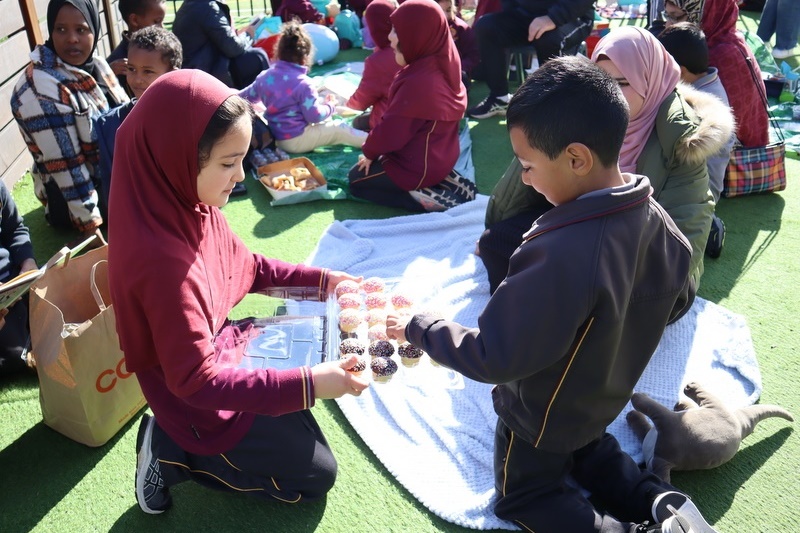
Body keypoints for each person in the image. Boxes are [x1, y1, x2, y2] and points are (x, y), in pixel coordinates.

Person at [386, 56, 718, 533]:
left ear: (576, 158)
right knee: (594, 453)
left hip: (542, 415)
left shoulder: (558, 252)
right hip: (602, 398)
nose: (523, 177)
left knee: (528, 494)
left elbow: (493, 356)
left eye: (526, 165)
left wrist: (423, 327)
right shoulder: (659, 221)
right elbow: (677, 296)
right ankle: (658, 502)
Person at [107, 69, 369, 514]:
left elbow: (249, 267)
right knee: (316, 476)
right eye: (227, 163)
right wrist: (311, 383)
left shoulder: (190, 204)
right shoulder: (161, 261)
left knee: (309, 386)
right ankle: (173, 452)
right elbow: (197, 382)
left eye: (242, 158)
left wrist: (326, 281)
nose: (240, 175)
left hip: (224, 348)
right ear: (176, 158)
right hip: (196, 401)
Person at [479, 26, 732, 294]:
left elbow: (678, 250)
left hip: (639, 259)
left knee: (574, 279)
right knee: (498, 243)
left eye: (622, 83)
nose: (611, 92)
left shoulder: (681, 139)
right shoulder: (591, 110)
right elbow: (535, 178)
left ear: (650, 78)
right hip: (586, 225)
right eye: (603, 80)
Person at [11, 0, 129, 246]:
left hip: (113, 173)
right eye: (61, 29)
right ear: (50, 32)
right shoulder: (40, 89)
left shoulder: (95, 63)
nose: (72, 39)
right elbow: (68, 167)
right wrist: (91, 227)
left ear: (94, 30)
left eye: (82, 29)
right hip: (73, 201)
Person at [348, 0, 474, 212]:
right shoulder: (444, 61)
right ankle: (443, 180)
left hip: (415, 167)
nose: (390, 37)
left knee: (356, 180)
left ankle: (423, 197)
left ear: (417, 34)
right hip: (442, 157)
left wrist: (369, 152)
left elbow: (391, 133)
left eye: (397, 31)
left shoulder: (419, 81)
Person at [659, 22, 736, 258]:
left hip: (701, 193)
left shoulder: (695, 103)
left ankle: (710, 224)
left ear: (679, 72)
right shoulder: (708, 83)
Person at [239, 21, 367, 154]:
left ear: (278, 51)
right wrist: (330, 105)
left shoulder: (265, 77)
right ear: (305, 56)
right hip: (298, 139)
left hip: (276, 137)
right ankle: (372, 142)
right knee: (339, 129)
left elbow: (244, 97)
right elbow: (314, 116)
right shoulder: (303, 83)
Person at [95, 26, 183, 215]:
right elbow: (112, 190)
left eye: (148, 71)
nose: (137, 79)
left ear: (172, 73)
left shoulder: (187, 120)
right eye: (131, 69)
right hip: (136, 221)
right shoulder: (110, 125)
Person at [465, 0, 595, 119]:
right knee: (486, 26)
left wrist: (553, 18)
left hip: (573, 16)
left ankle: (554, 109)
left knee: (548, 40)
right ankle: (500, 98)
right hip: (528, 14)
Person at [666, 0, 769, 148]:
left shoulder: (719, 54)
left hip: (731, 157)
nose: (668, 25)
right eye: (667, 16)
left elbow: (717, 130)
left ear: (703, 12)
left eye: (676, 16)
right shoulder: (722, 39)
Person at [171, 0, 269, 90]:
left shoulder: (193, 4)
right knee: (258, 56)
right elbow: (233, 48)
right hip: (206, 72)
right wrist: (248, 35)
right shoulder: (206, 7)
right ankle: (269, 101)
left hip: (199, 67)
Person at [345, 0, 402, 132]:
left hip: (395, 121)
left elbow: (362, 100)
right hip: (425, 117)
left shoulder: (380, 60)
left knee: (358, 123)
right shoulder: (415, 44)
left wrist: (345, 104)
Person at [0, 182, 38, 376]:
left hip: (15, 280)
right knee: (15, 353)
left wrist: (27, 263)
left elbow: (15, 229)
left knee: (64, 299)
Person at [106, 0, 167, 95]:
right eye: (157, 22)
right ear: (134, 20)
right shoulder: (118, 66)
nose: (162, 28)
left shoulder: (162, 49)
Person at [437, 0, 480, 90]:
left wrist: (459, 67)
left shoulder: (461, 28)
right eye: (440, 11)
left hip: (456, 72)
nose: (445, 15)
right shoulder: (425, 27)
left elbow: (473, 55)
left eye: (448, 10)